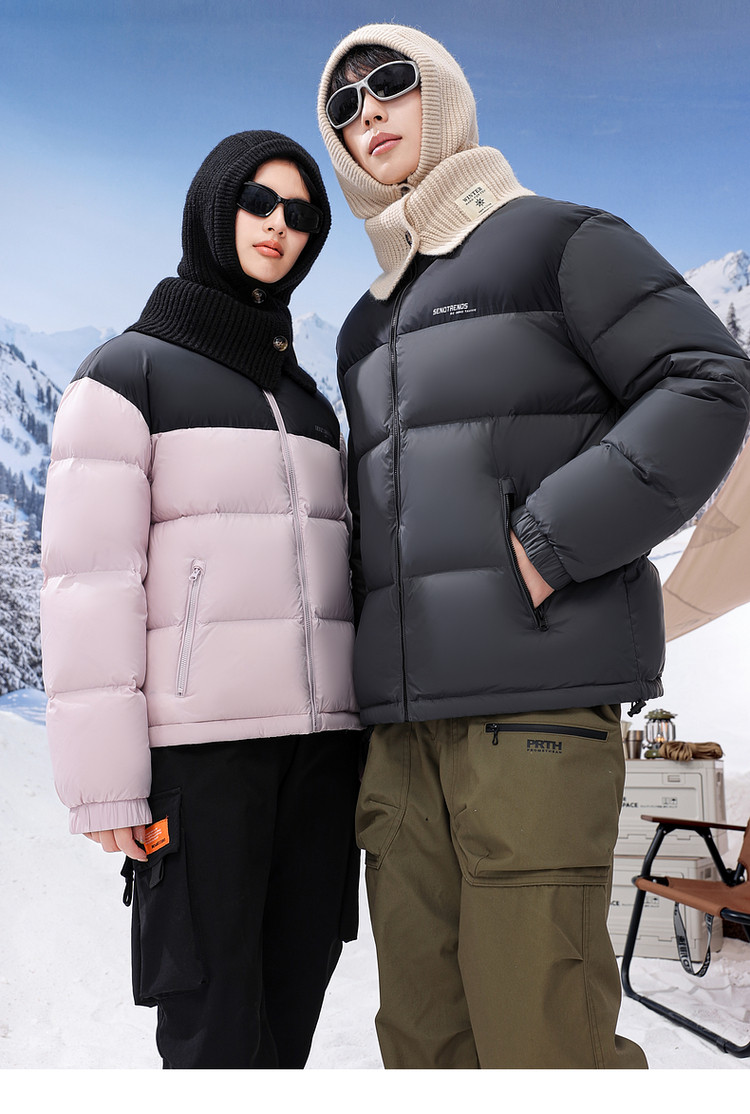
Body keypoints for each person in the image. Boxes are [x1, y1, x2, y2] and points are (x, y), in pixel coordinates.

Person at [317, 24, 750, 1070]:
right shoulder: (365, 327)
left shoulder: (558, 238)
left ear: (443, 96)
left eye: (389, 83)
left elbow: (708, 381)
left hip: (530, 715)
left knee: (541, 1042)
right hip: (401, 743)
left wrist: (549, 541)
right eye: (343, 105)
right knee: (421, 1041)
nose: (368, 112)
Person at [40, 131, 362, 1070]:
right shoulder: (125, 376)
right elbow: (89, 583)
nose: (278, 225)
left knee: (292, 1006)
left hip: (320, 757)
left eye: (301, 215)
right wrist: (105, 782)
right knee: (211, 1026)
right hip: (203, 760)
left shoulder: (309, 402)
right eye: (257, 202)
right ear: (213, 210)